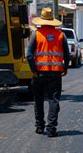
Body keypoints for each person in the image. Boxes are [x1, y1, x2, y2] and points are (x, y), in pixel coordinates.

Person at [26, 8, 70, 137]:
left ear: (41, 20)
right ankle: (51, 129)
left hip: (39, 74)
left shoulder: (36, 34)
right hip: (55, 74)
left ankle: (40, 127)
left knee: (38, 100)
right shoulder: (61, 35)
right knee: (53, 100)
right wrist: (65, 68)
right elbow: (66, 55)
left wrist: (33, 71)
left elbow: (29, 55)